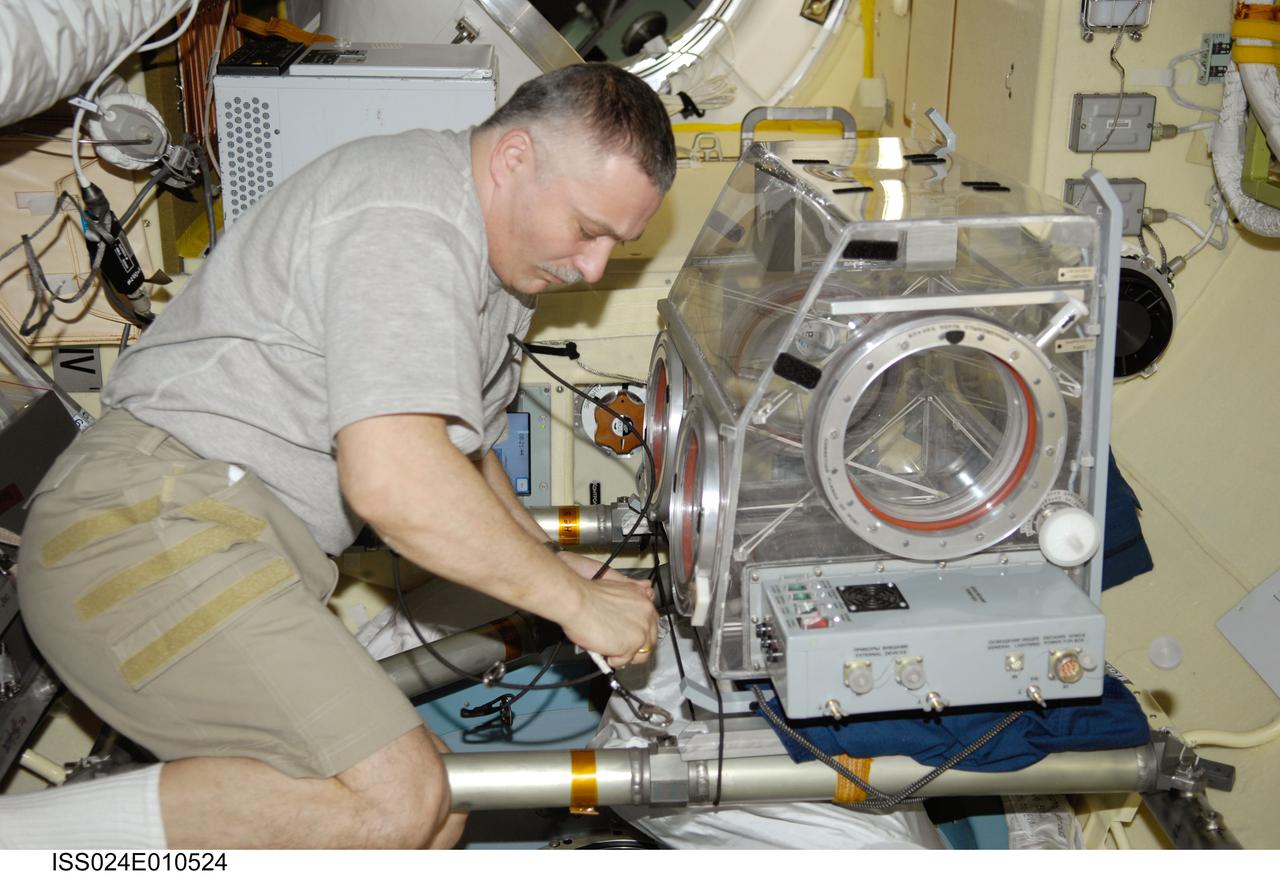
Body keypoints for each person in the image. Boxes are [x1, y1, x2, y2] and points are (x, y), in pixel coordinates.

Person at [5, 63, 676, 850]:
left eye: (615, 245)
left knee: (436, 804)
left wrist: (567, 575)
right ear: (514, 157)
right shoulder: (409, 216)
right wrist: (573, 604)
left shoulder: (490, 270)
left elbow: (465, 460)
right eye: (589, 229)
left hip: (212, 535)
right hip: (144, 526)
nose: (594, 268)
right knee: (391, 798)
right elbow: (395, 482)